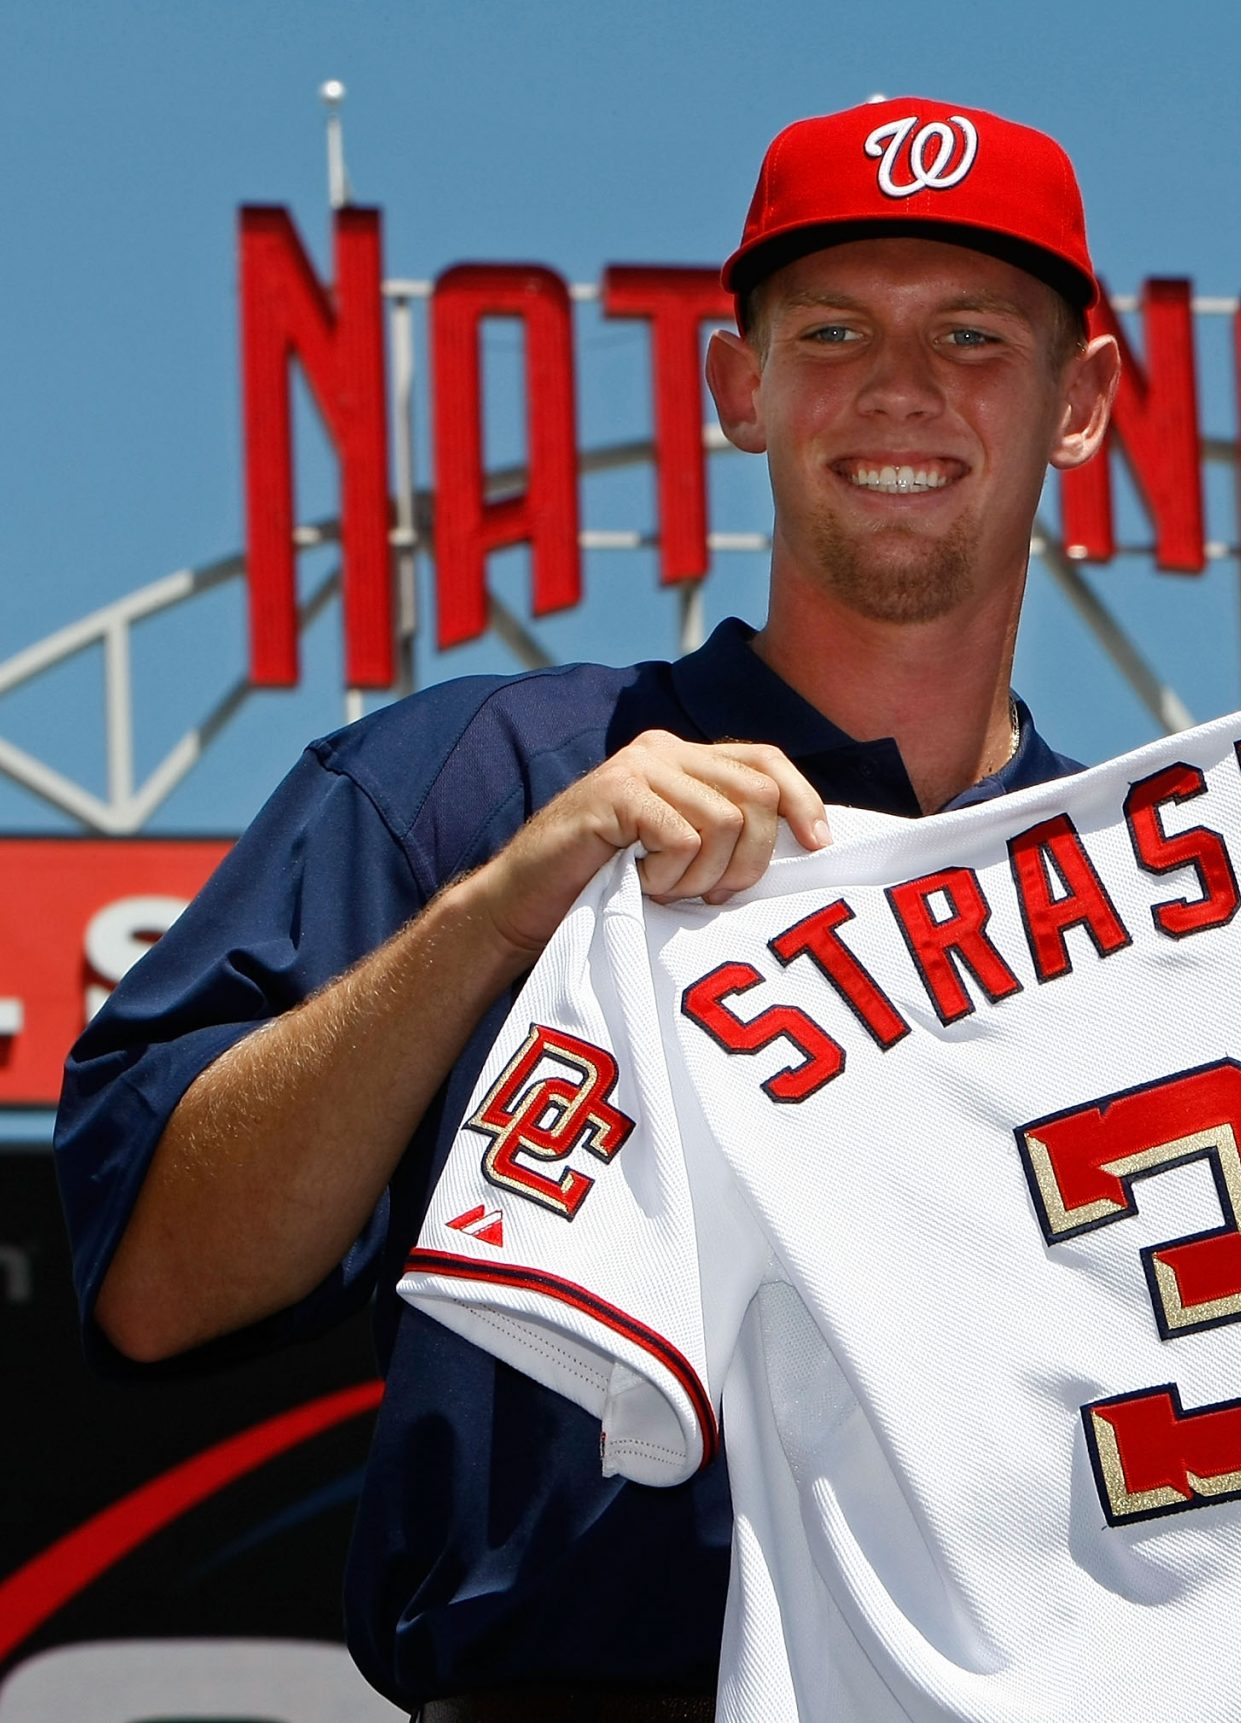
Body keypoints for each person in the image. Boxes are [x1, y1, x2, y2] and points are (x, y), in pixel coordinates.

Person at [54, 96, 1119, 1717]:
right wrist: (500, 909)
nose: (900, 388)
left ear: (1082, 402)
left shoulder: (1153, 882)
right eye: (832, 331)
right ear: (736, 388)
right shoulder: (474, 783)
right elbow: (156, 1281)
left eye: (973, 335)